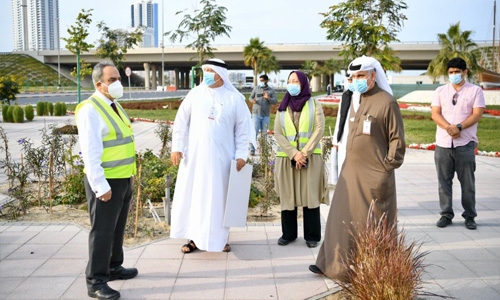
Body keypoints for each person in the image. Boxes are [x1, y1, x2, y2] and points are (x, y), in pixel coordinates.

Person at [309, 56, 406, 282]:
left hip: (375, 176)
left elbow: (397, 141)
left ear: (373, 75)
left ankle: (372, 272)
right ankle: (332, 265)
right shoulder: (357, 99)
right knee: (340, 219)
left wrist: (385, 168)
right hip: (350, 173)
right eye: (354, 77)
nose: (357, 80)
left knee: (371, 224)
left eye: (361, 76)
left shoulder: (387, 102)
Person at [170, 58, 253, 253]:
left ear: (221, 74)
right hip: (195, 160)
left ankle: (220, 239)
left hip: (222, 160)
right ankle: (193, 239)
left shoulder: (235, 99)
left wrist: (242, 155)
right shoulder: (194, 95)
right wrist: (177, 147)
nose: (206, 74)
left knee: (220, 199)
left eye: (210, 70)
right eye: (204, 70)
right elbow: (181, 123)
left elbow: (243, 131)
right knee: (195, 197)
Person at [75, 61, 138, 300]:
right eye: (112, 80)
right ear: (99, 84)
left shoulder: (114, 105)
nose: (117, 83)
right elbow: (90, 153)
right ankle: (96, 280)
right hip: (106, 181)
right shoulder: (90, 109)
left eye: (118, 78)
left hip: (122, 178)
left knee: (116, 228)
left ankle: (113, 266)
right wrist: (100, 186)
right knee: (102, 231)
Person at [274, 70, 328, 248]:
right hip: (286, 158)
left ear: (304, 83)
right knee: (288, 195)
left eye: (296, 81)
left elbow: (319, 129)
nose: (292, 84)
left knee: (310, 194)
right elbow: (278, 133)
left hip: (310, 158)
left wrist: (304, 153)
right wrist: (293, 153)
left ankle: (312, 236)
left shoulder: (314, 104)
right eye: (290, 81)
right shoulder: (282, 107)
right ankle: (288, 234)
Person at [431, 57, 485, 230]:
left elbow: (477, 114)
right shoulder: (440, 91)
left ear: (465, 72)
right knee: (443, 182)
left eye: (457, 72)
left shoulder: (475, 91)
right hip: (443, 144)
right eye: (451, 72)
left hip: (465, 143)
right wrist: (448, 127)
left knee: (467, 182)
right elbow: (435, 113)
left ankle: (469, 216)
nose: (454, 75)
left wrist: (459, 127)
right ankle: (446, 214)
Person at [331, 72, 357, 177]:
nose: (351, 82)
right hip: (343, 139)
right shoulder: (345, 96)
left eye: (353, 80)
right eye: (349, 80)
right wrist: (335, 142)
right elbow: (340, 118)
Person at [249, 74, 277, 155]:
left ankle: (263, 150)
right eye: (260, 80)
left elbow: (275, 101)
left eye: (262, 81)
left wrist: (268, 97)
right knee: (254, 132)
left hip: (266, 115)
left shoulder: (271, 90)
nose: (261, 82)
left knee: (264, 133)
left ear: (266, 81)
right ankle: (252, 149)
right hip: (256, 114)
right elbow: (250, 97)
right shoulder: (256, 88)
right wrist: (252, 101)